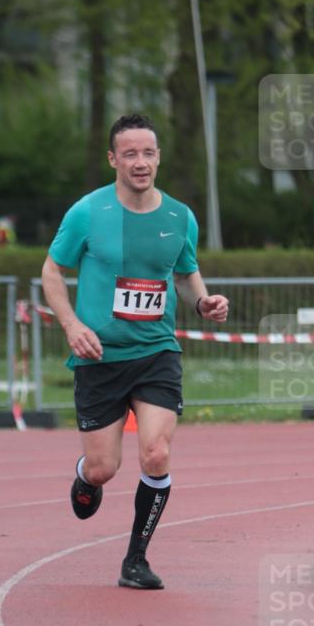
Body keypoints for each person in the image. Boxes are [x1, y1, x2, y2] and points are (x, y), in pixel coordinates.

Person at [42, 114, 229, 590]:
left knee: (156, 453)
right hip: (100, 357)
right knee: (106, 467)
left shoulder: (180, 216)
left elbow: (185, 273)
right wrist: (71, 324)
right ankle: (86, 477)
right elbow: (52, 272)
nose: (140, 162)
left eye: (148, 152)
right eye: (130, 153)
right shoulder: (87, 212)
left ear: (158, 157)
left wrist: (204, 300)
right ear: (113, 160)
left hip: (156, 352)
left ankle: (136, 560)